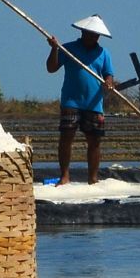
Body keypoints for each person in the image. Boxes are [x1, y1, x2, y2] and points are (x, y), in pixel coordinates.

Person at [46, 14, 115, 184]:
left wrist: (108, 83)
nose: (92, 37)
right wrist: (54, 49)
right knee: (66, 137)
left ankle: (93, 178)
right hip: (71, 101)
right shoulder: (68, 48)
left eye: (95, 35)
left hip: (94, 103)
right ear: (83, 32)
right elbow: (51, 68)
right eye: (89, 33)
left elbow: (109, 75)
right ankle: (65, 176)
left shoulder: (104, 53)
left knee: (94, 141)